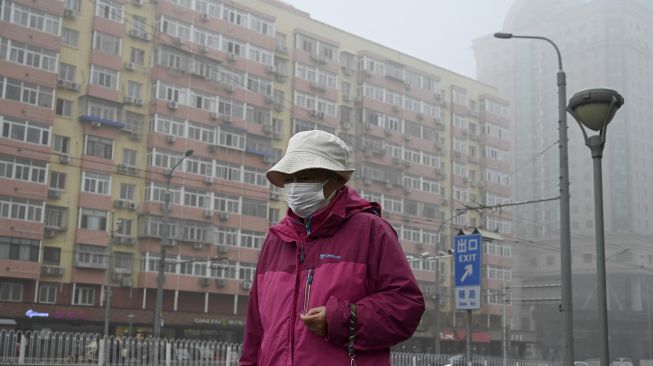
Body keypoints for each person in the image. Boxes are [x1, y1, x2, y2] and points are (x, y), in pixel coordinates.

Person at [241, 130, 425, 365]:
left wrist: (342, 319)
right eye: (290, 179)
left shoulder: (370, 230)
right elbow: (255, 331)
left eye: (306, 177)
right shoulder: (276, 240)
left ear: (337, 180)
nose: (296, 187)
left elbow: (406, 305)